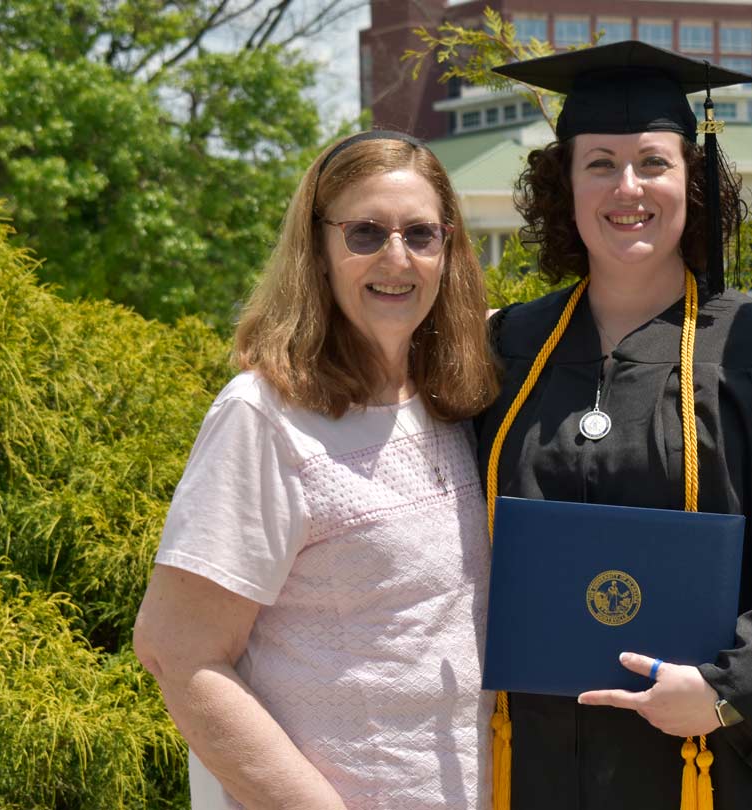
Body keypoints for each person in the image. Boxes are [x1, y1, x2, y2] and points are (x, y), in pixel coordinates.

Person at [478, 41, 752, 808]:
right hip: (531, 759)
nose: (628, 187)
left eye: (653, 162)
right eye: (599, 162)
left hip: (707, 761)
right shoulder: (507, 350)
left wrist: (727, 688)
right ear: (563, 182)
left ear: (692, 180)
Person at [132, 130, 499, 809]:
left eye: (421, 234)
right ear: (319, 251)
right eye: (365, 233)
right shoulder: (265, 419)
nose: (397, 258)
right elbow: (178, 651)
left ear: (448, 251)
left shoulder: (454, 403)